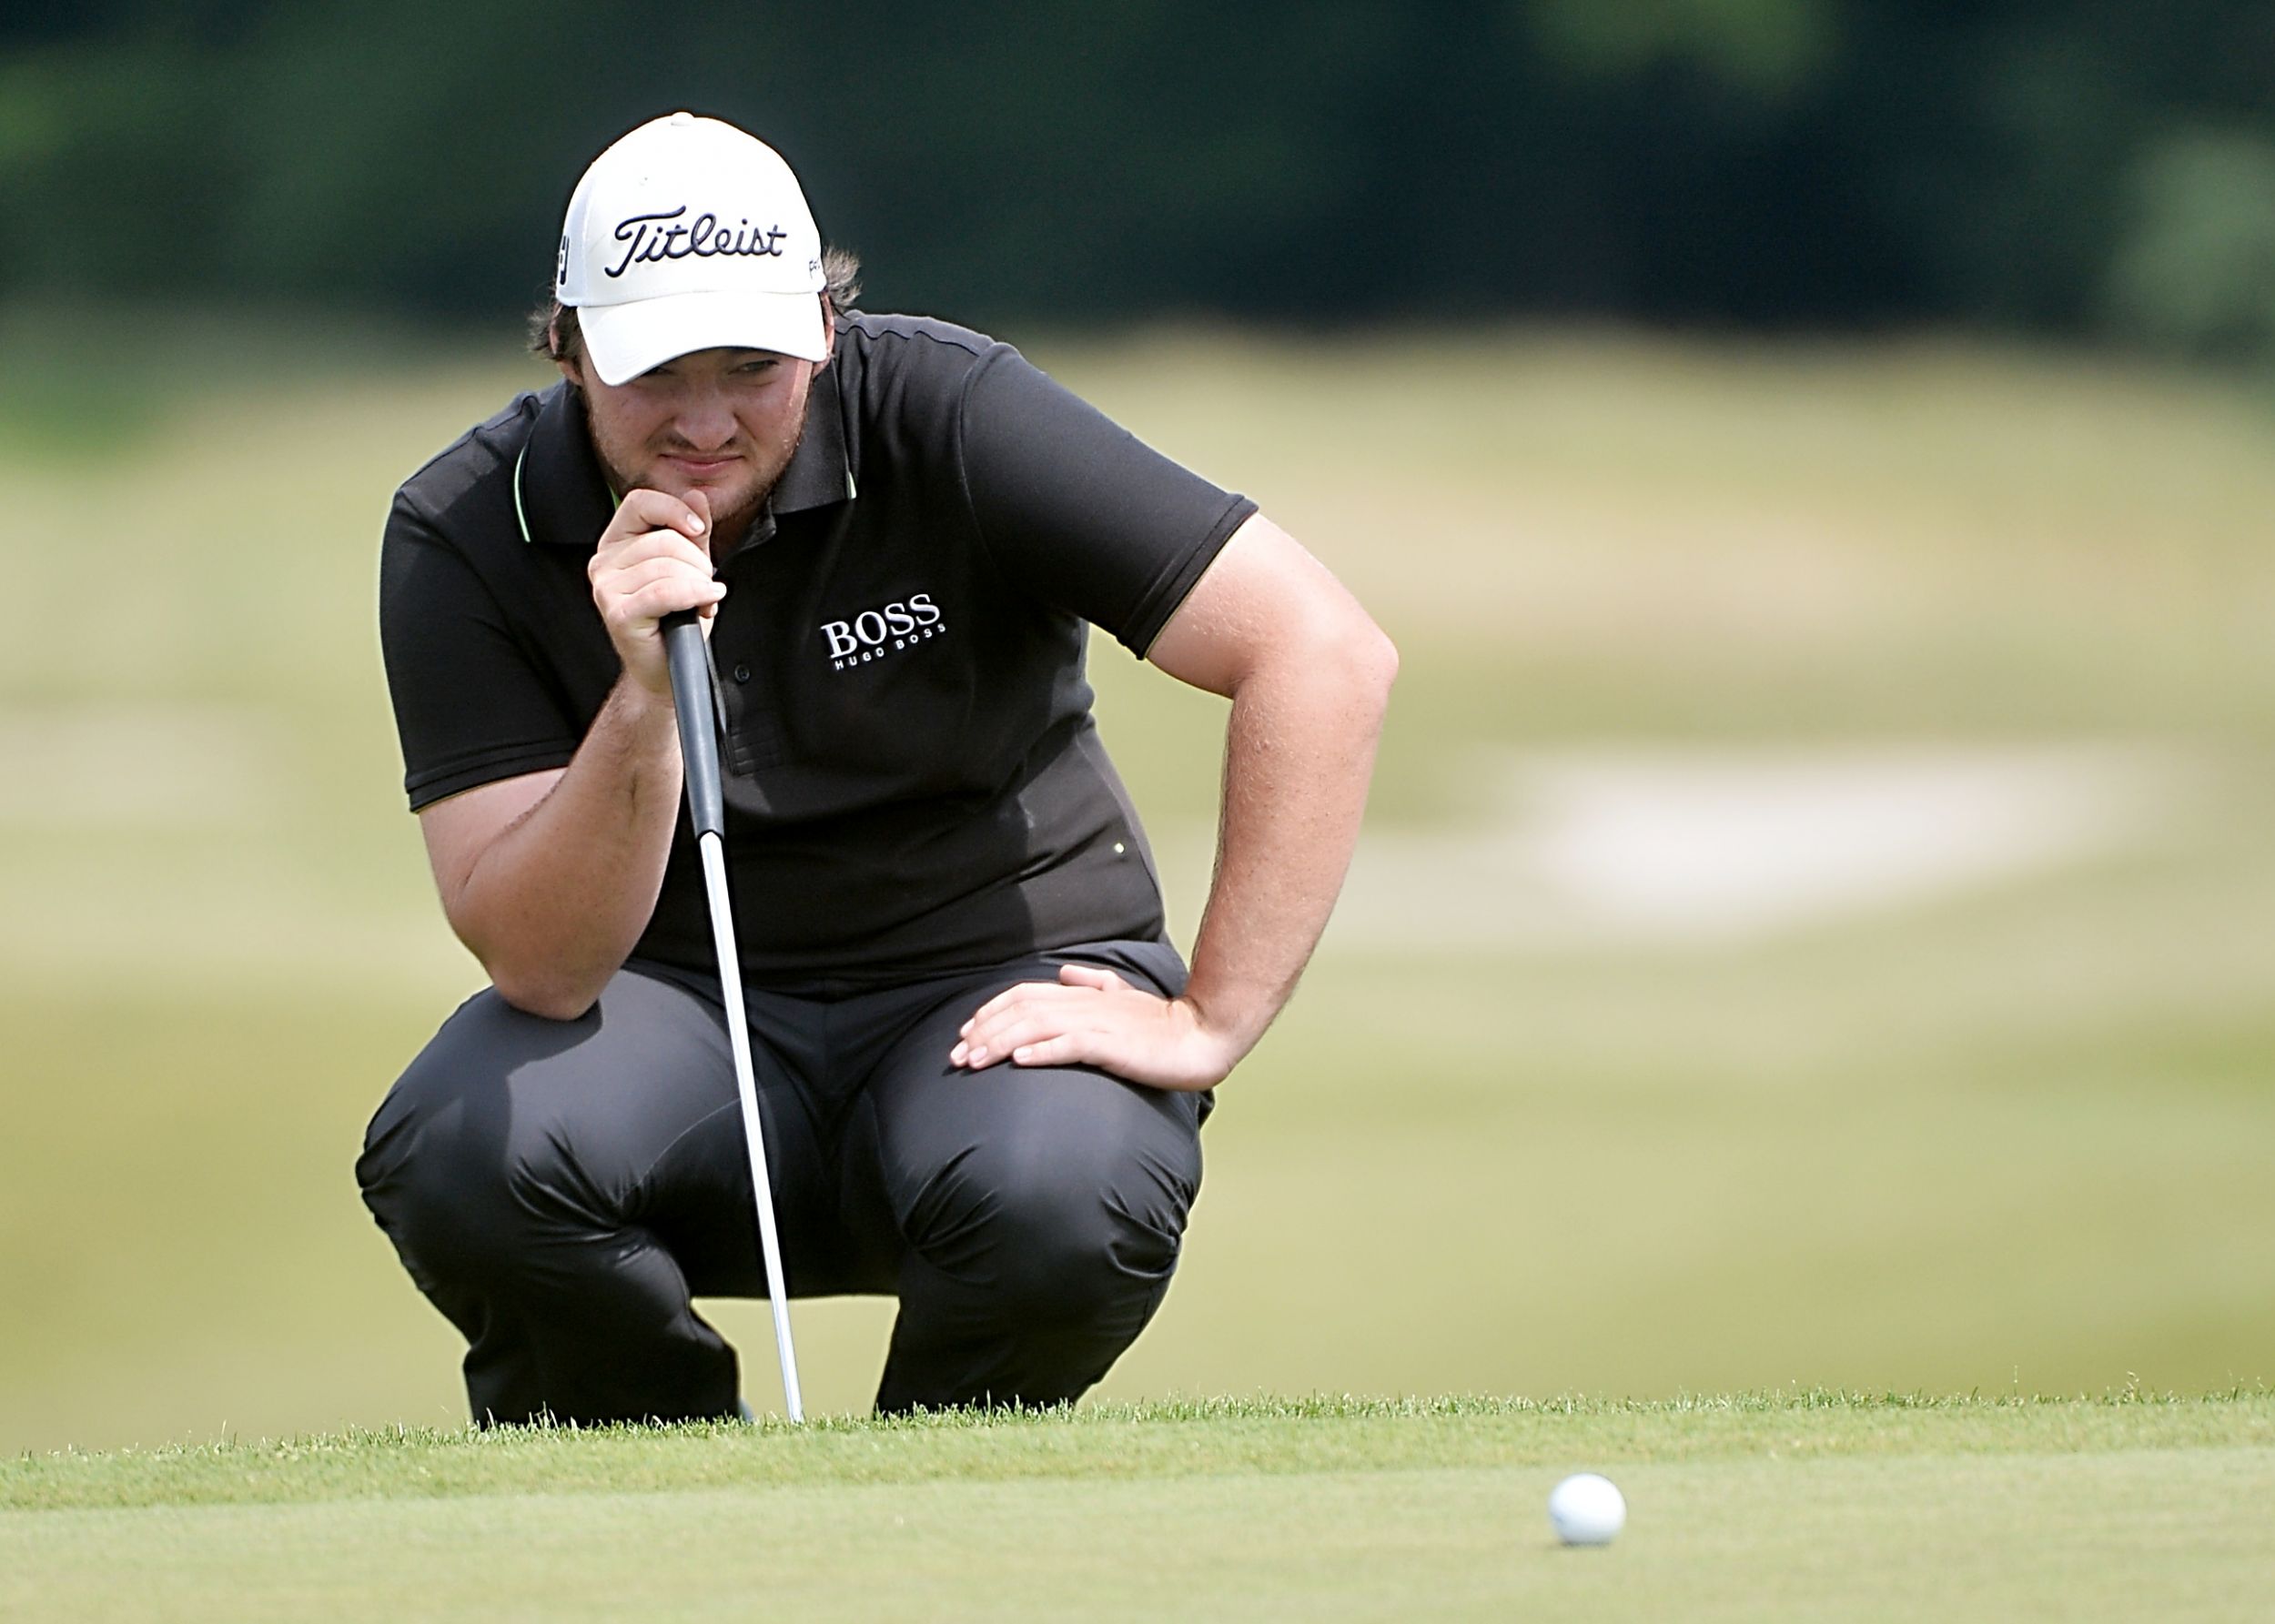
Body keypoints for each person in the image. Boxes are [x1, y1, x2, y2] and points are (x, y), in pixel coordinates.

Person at [358, 110, 1396, 1424]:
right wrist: (643, 697)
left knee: (1061, 1202)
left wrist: (1212, 1018)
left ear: (824, 328)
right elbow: (543, 966)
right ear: (567, 347)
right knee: (461, 1152)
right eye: (656, 371)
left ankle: (931, 1497)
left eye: (752, 366)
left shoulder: (948, 413)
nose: (705, 421)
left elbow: (1319, 651)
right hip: (673, 1016)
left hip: (994, 985)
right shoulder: (466, 523)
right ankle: (653, 1489)